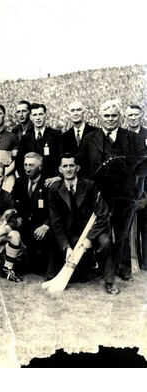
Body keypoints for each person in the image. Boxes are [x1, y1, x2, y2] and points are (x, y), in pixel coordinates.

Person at [77, 99, 147, 281]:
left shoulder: (132, 138)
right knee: (103, 233)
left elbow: (144, 164)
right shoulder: (89, 139)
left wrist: (135, 188)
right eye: (106, 116)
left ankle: (123, 270)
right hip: (100, 194)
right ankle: (102, 268)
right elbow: (82, 165)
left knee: (122, 232)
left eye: (114, 115)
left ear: (120, 117)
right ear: (100, 117)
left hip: (126, 194)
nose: (110, 119)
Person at [48, 153, 119, 294]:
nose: (68, 169)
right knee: (78, 277)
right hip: (70, 234)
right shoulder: (54, 189)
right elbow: (55, 221)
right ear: (60, 169)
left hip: (92, 231)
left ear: (77, 168)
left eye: (72, 166)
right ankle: (53, 274)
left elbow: (103, 215)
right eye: (65, 166)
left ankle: (110, 282)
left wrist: (89, 238)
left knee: (106, 242)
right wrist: (66, 247)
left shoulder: (90, 186)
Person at [11, 152, 53, 278]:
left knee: (38, 267)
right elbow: (11, 201)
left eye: (31, 165)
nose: (27, 168)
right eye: (25, 165)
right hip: (23, 226)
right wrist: (16, 215)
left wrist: (45, 225)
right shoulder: (20, 182)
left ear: (39, 167)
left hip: (40, 228)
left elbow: (55, 210)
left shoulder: (48, 184)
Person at [16, 103, 62, 186]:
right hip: (31, 181)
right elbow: (19, 161)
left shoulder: (56, 135)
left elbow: (60, 158)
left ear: (45, 115)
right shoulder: (25, 138)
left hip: (51, 181)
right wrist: (28, 179)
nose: (38, 118)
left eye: (40, 114)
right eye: (35, 115)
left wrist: (56, 177)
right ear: (30, 117)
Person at [125, 103, 147, 271]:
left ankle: (145, 261)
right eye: (130, 115)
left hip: (146, 185)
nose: (133, 118)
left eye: (135, 115)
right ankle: (129, 261)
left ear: (141, 115)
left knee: (145, 225)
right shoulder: (121, 135)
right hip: (126, 186)